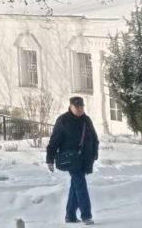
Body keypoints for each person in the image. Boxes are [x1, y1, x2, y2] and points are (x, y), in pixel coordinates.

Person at [46, 96, 100, 225]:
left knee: (76, 185)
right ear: (71, 106)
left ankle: (70, 215)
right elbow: (54, 141)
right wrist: (50, 159)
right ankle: (86, 215)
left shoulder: (86, 120)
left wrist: (94, 155)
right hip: (71, 160)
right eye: (77, 107)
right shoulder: (63, 120)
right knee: (80, 184)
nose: (80, 109)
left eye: (82, 106)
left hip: (85, 158)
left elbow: (94, 138)